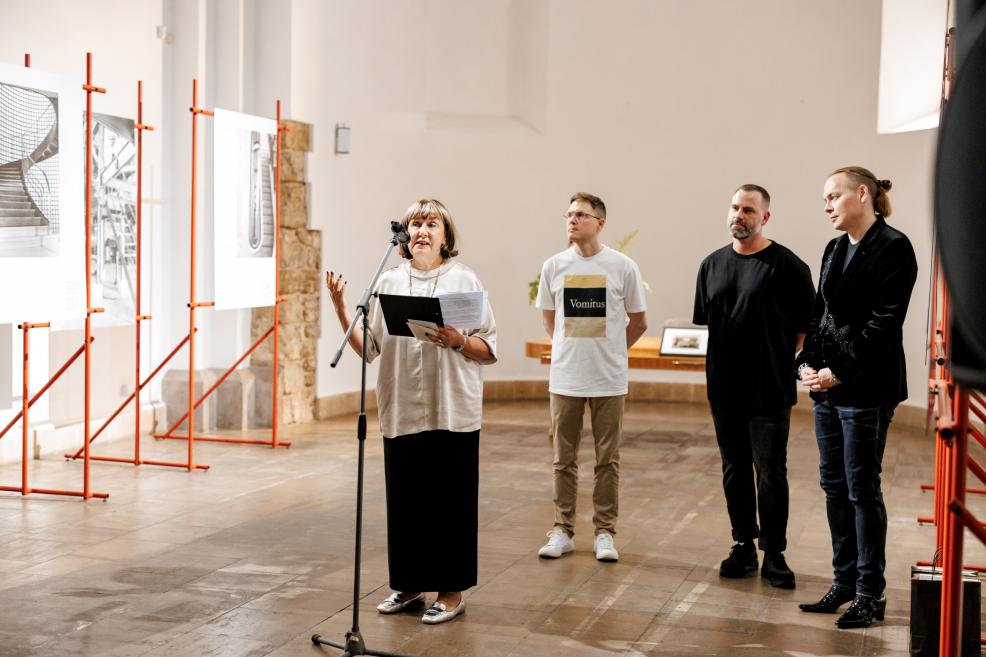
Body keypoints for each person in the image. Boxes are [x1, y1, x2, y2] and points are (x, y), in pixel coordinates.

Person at [325, 199, 497, 625]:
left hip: (451, 408)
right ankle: (408, 586)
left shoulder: (463, 279)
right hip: (402, 406)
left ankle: (451, 592)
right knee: (406, 502)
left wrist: (459, 340)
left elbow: (488, 347)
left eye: (431, 224)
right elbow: (369, 349)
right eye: (415, 224)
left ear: (445, 235)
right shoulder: (387, 282)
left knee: (451, 504)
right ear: (404, 236)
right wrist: (342, 309)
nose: (422, 230)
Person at [796, 167, 917, 629]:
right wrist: (806, 362)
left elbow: (885, 322)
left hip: (866, 386)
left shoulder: (894, 246)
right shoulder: (834, 248)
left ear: (862, 194)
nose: (826, 206)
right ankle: (843, 582)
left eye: (833, 196)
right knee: (834, 486)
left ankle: (870, 593)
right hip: (827, 388)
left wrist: (840, 371)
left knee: (862, 488)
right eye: (825, 199)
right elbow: (820, 313)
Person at [693, 184, 815, 589]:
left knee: (770, 471)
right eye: (734, 207)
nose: (739, 215)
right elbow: (711, 323)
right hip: (724, 388)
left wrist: (776, 359)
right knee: (734, 470)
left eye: (748, 210)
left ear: (765, 217)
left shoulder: (789, 267)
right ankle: (743, 544)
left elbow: (804, 329)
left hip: (769, 388)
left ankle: (774, 553)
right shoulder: (711, 265)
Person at [535, 192, 647, 562]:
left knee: (607, 459)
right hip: (565, 377)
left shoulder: (622, 266)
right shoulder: (553, 266)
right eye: (569, 214)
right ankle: (562, 530)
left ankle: (604, 533)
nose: (572, 220)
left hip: (608, 378)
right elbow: (551, 321)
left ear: (600, 223)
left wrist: (613, 351)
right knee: (562, 459)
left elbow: (639, 322)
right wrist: (571, 351)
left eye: (581, 214)